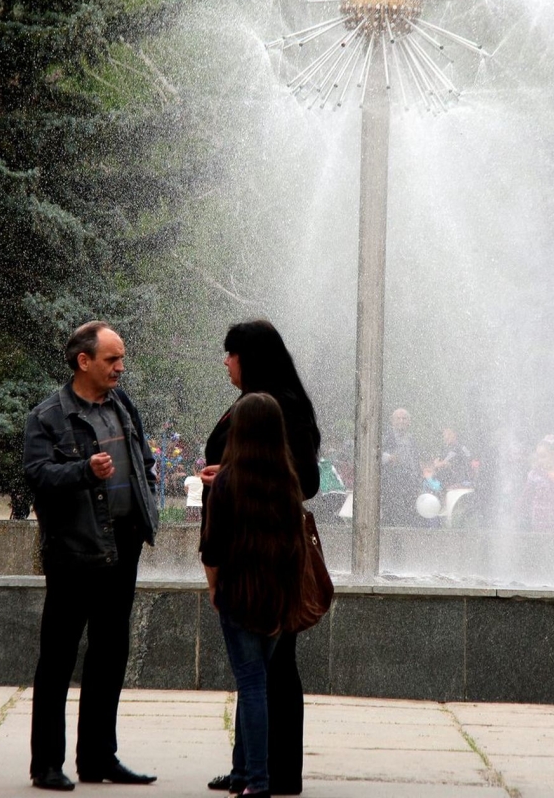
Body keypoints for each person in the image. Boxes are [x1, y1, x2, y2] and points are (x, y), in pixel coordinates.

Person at [23, 321, 159, 791]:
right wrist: (83, 470)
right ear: (84, 361)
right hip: (74, 551)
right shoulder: (48, 416)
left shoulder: (122, 404)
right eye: (111, 359)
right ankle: (47, 765)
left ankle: (99, 757)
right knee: (58, 659)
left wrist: (146, 500)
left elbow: (143, 461)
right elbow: (37, 475)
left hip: (123, 546)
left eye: (121, 359)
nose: (120, 367)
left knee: (110, 653)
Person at [201, 320, 320, 797]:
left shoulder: (280, 407)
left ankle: (275, 771)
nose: (225, 362)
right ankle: (250, 767)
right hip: (253, 552)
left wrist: (235, 475)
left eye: (230, 354)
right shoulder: (257, 402)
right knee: (257, 674)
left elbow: (305, 481)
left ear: (248, 358)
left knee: (272, 670)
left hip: (265, 557)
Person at [381, 408, 421, 527]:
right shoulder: (386, 437)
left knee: (409, 515)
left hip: (410, 482)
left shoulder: (412, 439)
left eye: (404, 418)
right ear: (392, 421)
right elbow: (375, 454)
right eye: (398, 418)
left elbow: (415, 460)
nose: (401, 421)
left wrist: (418, 476)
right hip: (392, 483)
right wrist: (389, 457)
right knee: (392, 514)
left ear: (409, 422)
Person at [434, 426, 473, 491]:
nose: (446, 437)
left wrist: (443, 463)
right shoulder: (445, 449)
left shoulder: (460, 448)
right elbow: (437, 462)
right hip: (446, 484)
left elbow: (442, 463)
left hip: (459, 485)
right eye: (444, 435)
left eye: (449, 434)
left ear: (455, 434)